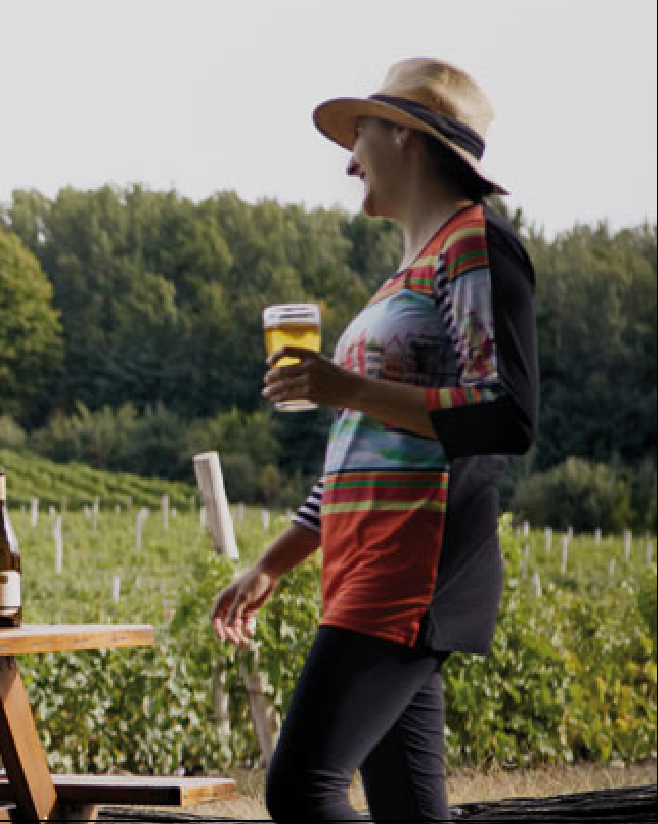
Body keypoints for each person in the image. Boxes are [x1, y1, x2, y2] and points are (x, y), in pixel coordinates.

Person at [211, 58, 537, 823]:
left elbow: (506, 415)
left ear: (407, 135)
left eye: (359, 135)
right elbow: (366, 446)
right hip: (367, 562)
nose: (349, 159)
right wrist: (274, 561)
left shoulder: (475, 245)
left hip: (413, 566)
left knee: (301, 789)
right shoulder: (406, 275)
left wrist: (345, 387)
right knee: (407, 813)